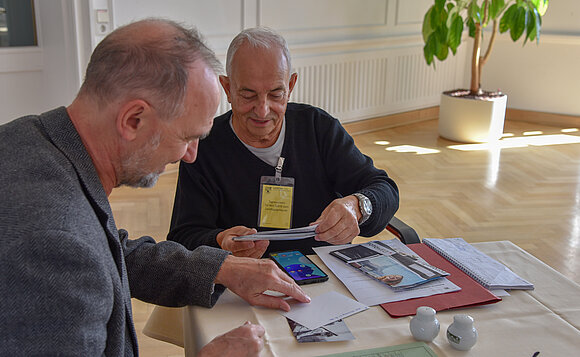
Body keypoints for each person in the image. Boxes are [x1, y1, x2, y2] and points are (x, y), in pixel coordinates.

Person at [0, 19, 310, 356]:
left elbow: (107, 251)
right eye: (187, 137)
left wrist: (222, 268)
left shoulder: (28, 138)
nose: (191, 156)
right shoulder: (55, 241)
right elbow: (75, 252)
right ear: (134, 120)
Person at [168, 27, 399, 258]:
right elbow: (183, 238)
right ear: (228, 88)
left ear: (290, 86)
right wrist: (220, 242)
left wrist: (358, 206)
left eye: (276, 94)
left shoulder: (318, 128)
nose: (262, 110)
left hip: (323, 270)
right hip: (244, 278)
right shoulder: (204, 147)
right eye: (248, 95)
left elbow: (384, 188)